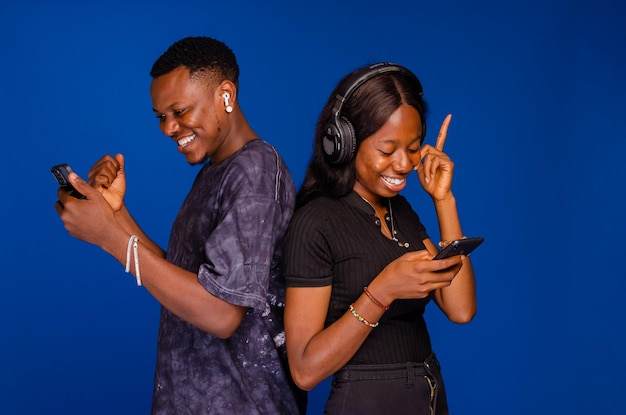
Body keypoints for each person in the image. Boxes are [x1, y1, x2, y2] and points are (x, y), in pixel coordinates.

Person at [55, 36, 306, 415]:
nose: (168, 128)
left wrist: (109, 236)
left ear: (226, 95)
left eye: (180, 111)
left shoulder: (255, 171)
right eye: (160, 117)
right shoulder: (218, 171)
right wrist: (116, 214)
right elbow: (187, 281)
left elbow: (222, 313)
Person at [282, 62, 478, 414]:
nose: (403, 164)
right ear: (343, 143)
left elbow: (461, 309)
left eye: (414, 147)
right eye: (388, 150)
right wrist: (383, 290)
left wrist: (444, 200)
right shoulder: (315, 222)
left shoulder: (399, 210)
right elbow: (305, 370)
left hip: (428, 397)